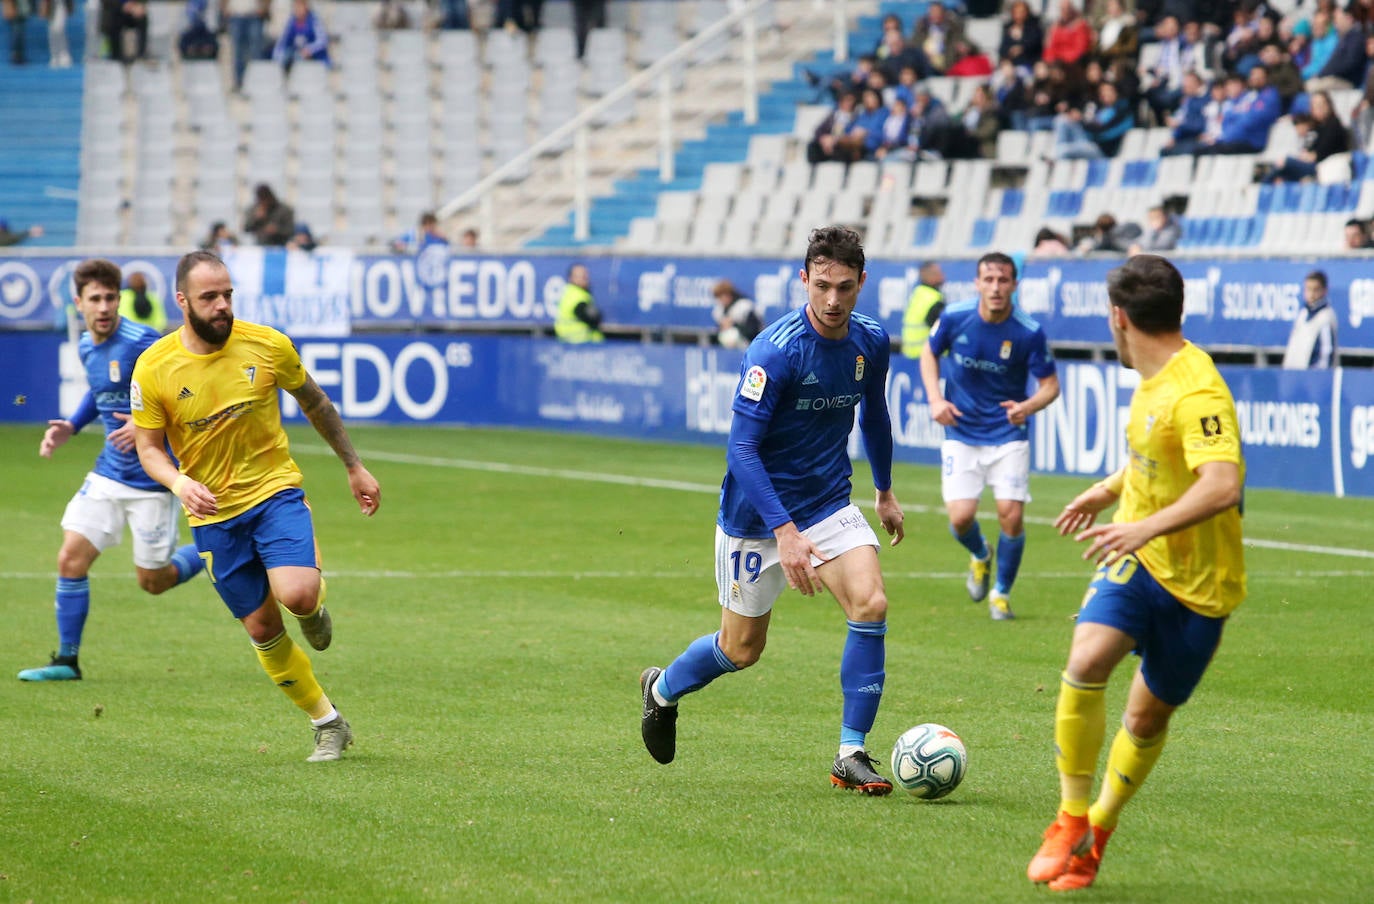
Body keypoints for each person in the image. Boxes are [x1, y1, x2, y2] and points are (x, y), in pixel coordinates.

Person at [639, 226, 906, 795]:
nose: (833, 301)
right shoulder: (775, 351)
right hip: (757, 514)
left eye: (846, 287)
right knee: (741, 649)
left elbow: (876, 415)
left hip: (828, 500)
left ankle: (850, 753)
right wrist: (783, 532)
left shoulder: (871, 341)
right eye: (823, 286)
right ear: (803, 280)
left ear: (862, 284)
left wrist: (883, 490)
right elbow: (741, 450)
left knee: (871, 601)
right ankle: (661, 690)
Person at [1028, 254, 1246, 892]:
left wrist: (1143, 524)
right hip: (1139, 560)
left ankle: (1098, 830)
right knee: (1087, 656)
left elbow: (1223, 484)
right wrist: (1107, 492)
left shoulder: (1195, 388)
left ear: (1117, 318)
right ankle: (1069, 817)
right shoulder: (1155, 377)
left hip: (1202, 586)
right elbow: (1154, 460)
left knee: (1147, 720)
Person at [130, 250, 382, 762]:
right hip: (212, 515)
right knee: (262, 628)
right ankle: (328, 723)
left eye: (227, 294)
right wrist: (179, 484)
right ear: (182, 301)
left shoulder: (266, 345)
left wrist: (354, 465)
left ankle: (311, 603)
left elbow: (315, 401)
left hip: (274, 492)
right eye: (209, 297)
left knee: (296, 594)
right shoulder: (154, 368)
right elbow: (149, 448)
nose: (222, 305)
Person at [19, 259, 205, 682]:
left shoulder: (143, 341)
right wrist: (73, 425)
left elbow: (189, 387)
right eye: (95, 299)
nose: (103, 307)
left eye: (110, 298)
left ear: (118, 300)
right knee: (70, 558)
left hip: (152, 479)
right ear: (78, 303)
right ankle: (67, 660)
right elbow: (98, 390)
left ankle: (222, 549)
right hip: (107, 474)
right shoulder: (87, 345)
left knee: (153, 582)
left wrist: (146, 421)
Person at [919, 252, 1060, 620]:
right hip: (961, 431)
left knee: (1010, 516)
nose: (996, 287)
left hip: (1007, 433)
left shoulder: (1028, 331)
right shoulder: (954, 317)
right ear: (978, 283)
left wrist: (1027, 407)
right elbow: (928, 354)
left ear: (1014, 285)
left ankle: (1001, 593)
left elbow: (1050, 386)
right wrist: (935, 399)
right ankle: (981, 554)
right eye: (989, 280)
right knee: (961, 519)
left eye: (1003, 280)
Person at [1282, 270, 1338, 369]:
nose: (1311, 294)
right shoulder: (1303, 314)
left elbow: (1326, 355)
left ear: (1325, 290)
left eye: (1316, 290)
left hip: (1311, 380)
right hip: (1295, 377)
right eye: (1308, 289)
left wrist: (1314, 378)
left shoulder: (1325, 317)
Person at [221, 0, 269, 92]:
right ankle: (239, 83)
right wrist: (224, 8)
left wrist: (264, 8)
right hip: (236, 15)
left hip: (254, 15)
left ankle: (257, 83)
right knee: (238, 53)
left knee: (256, 52)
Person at [901, 261, 945, 357]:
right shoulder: (933, 299)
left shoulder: (918, 293)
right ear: (929, 276)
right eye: (938, 273)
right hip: (927, 356)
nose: (942, 276)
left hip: (910, 355)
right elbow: (942, 330)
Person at [272, 0, 330, 72]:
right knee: (288, 57)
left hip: (316, 59)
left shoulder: (314, 21)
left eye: (300, 6)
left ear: (306, 7)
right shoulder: (291, 22)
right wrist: (278, 56)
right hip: (297, 58)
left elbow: (323, 41)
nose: (297, 9)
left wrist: (310, 49)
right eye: (296, 6)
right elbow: (282, 42)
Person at [554, 263, 603, 343]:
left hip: (577, 344)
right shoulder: (575, 295)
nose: (585, 278)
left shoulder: (573, 293)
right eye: (581, 276)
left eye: (586, 275)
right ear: (571, 278)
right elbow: (591, 316)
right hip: (580, 345)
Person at [712, 279, 762, 350]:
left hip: (752, 346)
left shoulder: (745, 306)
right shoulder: (719, 310)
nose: (721, 300)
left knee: (732, 334)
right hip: (729, 349)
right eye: (718, 298)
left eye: (722, 296)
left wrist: (733, 324)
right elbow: (717, 333)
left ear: (729, 294)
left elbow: (753, 331)